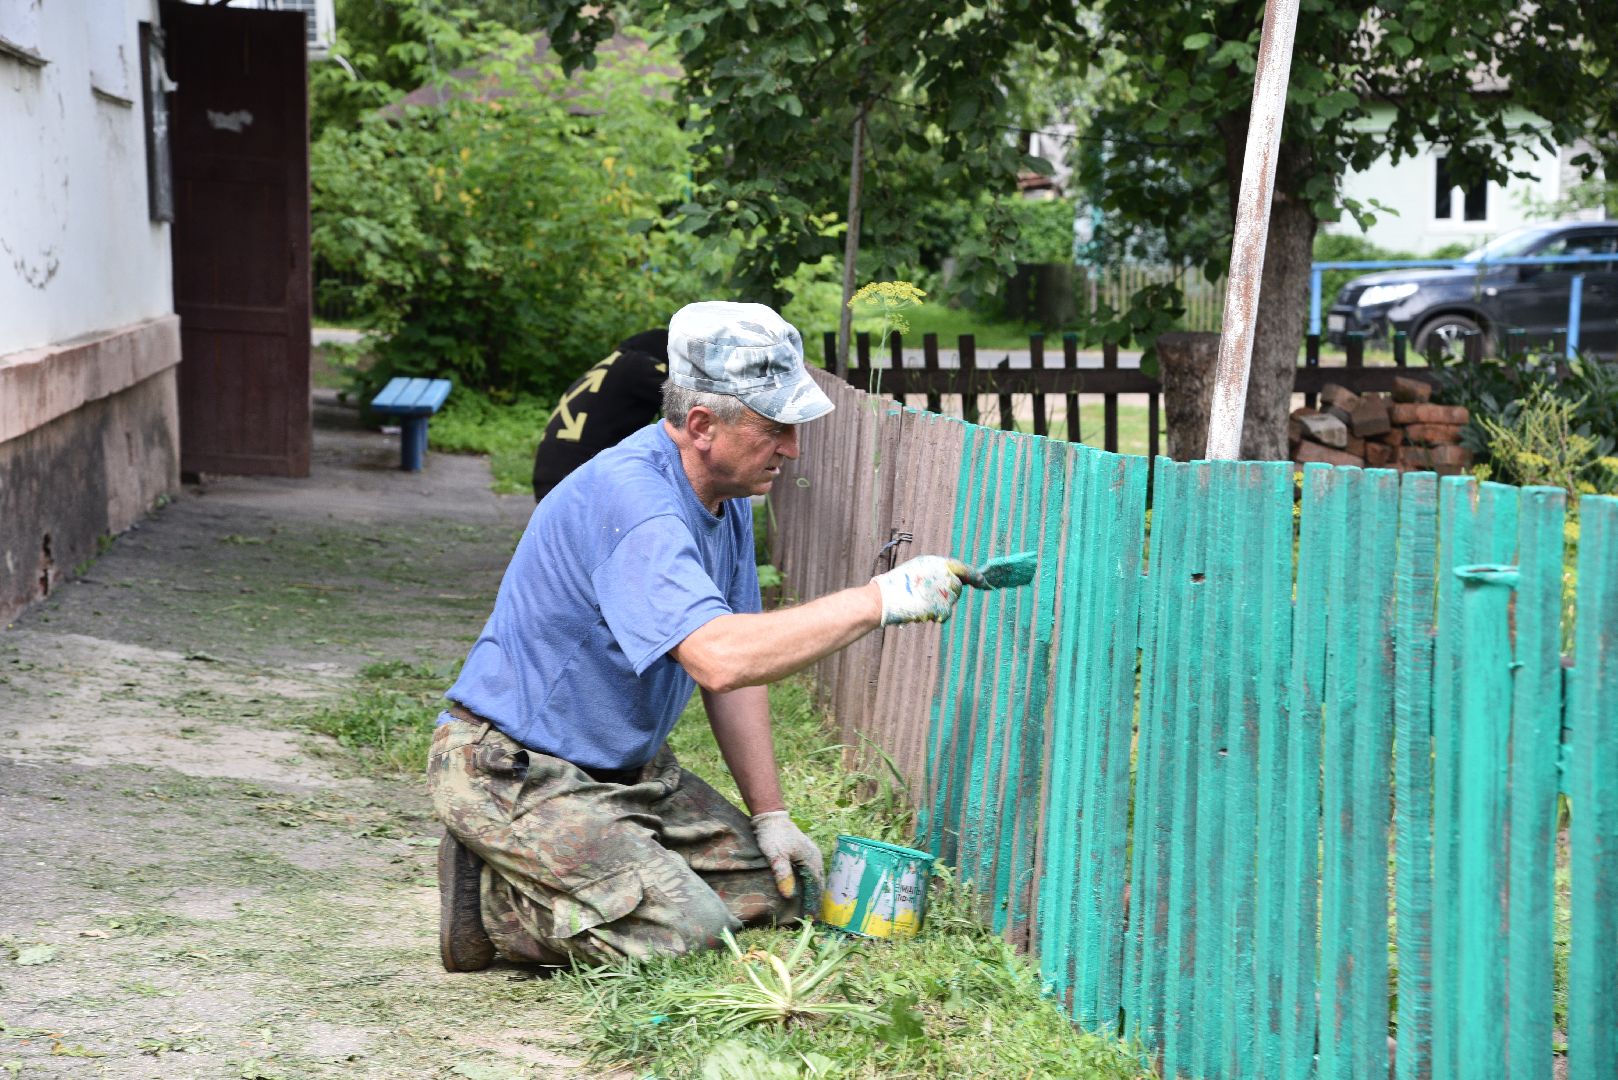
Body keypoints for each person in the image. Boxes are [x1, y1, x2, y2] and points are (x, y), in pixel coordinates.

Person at [428, 300, 983, 971]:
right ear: (700, 425)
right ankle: (492, 905)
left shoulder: (724, 499)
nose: (793, 447)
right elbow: (719, 659)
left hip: (628, 775)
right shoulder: (638, 505)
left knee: (780, 892)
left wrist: (771, 815)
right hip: (516, 771)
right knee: (687, 931)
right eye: (775, 427)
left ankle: (586, 865)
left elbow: (739, 663)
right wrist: (879, 601)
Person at [531, 329, 669, 504]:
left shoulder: (613, 365)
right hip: (578, 481)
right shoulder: (638, 365)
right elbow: (689, 403)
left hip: (553, 478)